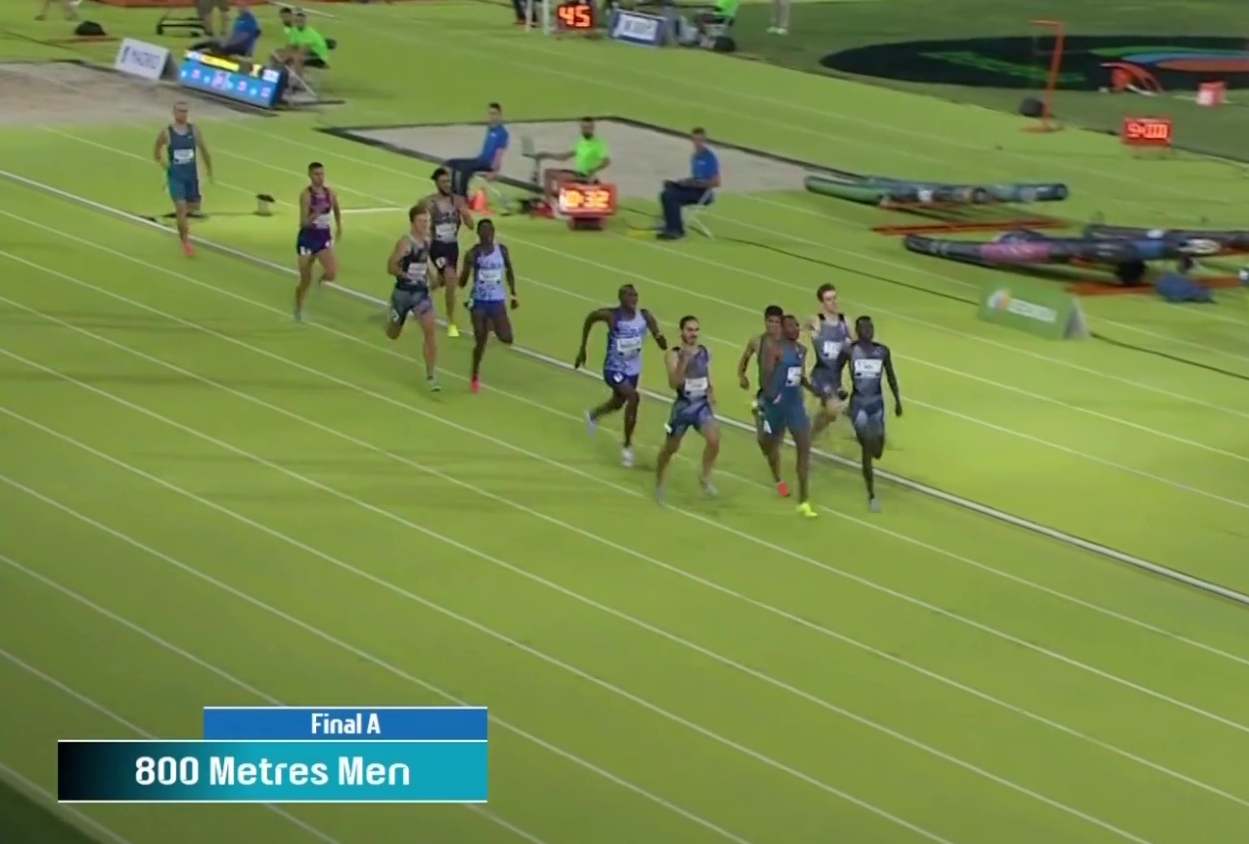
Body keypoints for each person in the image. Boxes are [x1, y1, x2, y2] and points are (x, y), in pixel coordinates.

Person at [574, 284, 668, 468]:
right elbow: (590, 318)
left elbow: (659, 336)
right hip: (614, 369)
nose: (633, 298)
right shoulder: (611, 316)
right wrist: (582, 348)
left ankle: (594, 415)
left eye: (635, 295)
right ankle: (627, 446)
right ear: (621, 298)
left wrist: (660, 339)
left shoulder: (645, 316)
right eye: (629, 295)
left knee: (618, 403)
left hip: (633, 370)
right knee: (633, 397)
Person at [835, 316, 902, 512]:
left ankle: (865, 435)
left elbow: (891, 376)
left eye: (870, 327)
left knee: (877, 451)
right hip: (859, 404)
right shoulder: (850, 350)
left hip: (877, 405)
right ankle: (872, 495)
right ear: (857, 331)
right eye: (864, 328)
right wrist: (839, 388)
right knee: (867, 449)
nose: (868, 330)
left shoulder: (882, 351)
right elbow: (836, 370)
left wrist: (897, 400)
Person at [760, 315, 819, 518]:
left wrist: (816, 390)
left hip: (795, 406)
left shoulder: (802, 350)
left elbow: (800, 377)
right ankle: (778, 478)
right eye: (790, 326)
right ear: (783, 330)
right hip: (776, 407)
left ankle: (804, 500)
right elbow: (766, 377)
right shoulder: (775, 350)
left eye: (796, 325)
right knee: (769, 446)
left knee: (804, 446)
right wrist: (771, 398)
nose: (795, 329)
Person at [656, 315, 719, 503]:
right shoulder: (673, 354)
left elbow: (707, 376)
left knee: (714, 441)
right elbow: (673, 383)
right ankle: (659, 482)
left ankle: (704, 477)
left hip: (701, 406)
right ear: (681, 332)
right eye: (690, 330)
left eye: (696, 330)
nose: (694, 334)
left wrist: (711, 393)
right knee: (670, 448)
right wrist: (683, 362)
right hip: (683, 408)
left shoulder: (705, 352)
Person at [385, 205, 440, 392]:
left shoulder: (427, 241)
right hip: (402, 294)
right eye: (422, 221)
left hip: (420, 294)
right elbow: (390, 266)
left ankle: (431, 375)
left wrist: (433, 277)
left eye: (427, 221)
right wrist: (405, 275)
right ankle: (391, 316)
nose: (425, 224)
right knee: (392, 334)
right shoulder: (405, 243)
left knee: (430, 330)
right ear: (413, 222)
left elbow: (425, 261)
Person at [460, 219, 517, 394]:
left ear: (493, 232)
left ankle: (491, 325)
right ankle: (474, 375)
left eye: (489, 231)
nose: (486, 235)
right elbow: (462, 282)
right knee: (480, 342)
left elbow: (509, 270)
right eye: (483, 232)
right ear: (478, 234)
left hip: (497, 301)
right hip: (479, 302)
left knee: (507, 338)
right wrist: (466, 268)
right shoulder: (473, 253)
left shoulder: (502, 251)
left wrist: (514, 294)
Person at [736, 304, 788, 497]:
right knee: (764, 441)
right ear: (765, 321)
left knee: (775, 442)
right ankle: (779, 479)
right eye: (770, 321)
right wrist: (742, 375)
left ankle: (778, 475)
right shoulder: (757, 341)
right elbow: (745, 358)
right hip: (765, 398)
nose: (773, 325)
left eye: (776, 322)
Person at [153, 102, 213, 257]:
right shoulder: (166, 133)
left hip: (191, 177)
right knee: (181, 208)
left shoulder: (194, 130)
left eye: (185, 111)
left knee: (194, 207)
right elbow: (156, 152)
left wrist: (209, 170)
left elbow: (204, 151)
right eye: (180, 111)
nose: (183, 114)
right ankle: (185, 242)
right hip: (176, 177)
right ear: (174, 113)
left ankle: (182, 222)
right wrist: (166, 167)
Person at [423, 167, 473, 338]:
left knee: (441, 281)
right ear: (436, 183)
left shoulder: (457, 200)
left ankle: (416, 296)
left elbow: (471, 225)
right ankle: (451, 321)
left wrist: (465, 213)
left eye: (449, 181)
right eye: (443, 182)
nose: (447, 184)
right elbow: (419, 223)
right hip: (437, 246)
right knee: (451, 279)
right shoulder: (429, 202)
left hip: (452, 247)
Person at [293, 161, 341, 322]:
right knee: (305, 279)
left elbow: (336, 208)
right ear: (310, 175)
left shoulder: (330, 193)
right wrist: (316, 213)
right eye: (316, 174)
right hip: (307, 239)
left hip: (323, 237)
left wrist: (339, 226)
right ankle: (298, 309)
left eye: (322, 174)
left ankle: (319, 284)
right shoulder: (306, 195)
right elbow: (303, 223)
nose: (320, 177)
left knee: (331, 273)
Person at [657, 127, 720, 241]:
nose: (697, 143)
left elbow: (716, 182)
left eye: (700, 140)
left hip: (703, 193)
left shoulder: (710, 158)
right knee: (667, 189)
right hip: (694, 188)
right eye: (695, 140)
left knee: (670, 196)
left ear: (704, 140)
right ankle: (670, 225)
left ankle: (677, 230)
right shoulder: (695, 157)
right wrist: (684, 182)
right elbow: (696, 178)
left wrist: (695, 184)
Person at [537, 117, 611, 208]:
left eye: (588, 128)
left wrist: (594, 169)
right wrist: (547, 155)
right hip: (578, 174)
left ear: (592, 128)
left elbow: (606, 161)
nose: (585, 130)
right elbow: (564, 157)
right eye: (583, 128)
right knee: (548, 173)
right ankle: (548, 205)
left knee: (562, 177)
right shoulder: (580, 142)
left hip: (586, 176)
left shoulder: (599, 144)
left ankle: (561, 206)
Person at [807, 282, 850, 437]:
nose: (833, 302)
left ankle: (811, 432)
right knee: (832, 411)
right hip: (820, 376)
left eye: (835, 298)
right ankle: (810, 436)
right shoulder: (816, 321)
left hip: (836, 379)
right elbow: (797, 334)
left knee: (829, 413)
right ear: (822, 302)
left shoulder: (846, 322)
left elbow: (857, 347)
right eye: (829, 299)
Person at [445, 103, 509, 198]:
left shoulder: (503, 133)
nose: (492, 116)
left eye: (494, 114)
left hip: (488, 164)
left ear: (499, 115)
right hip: (480, 160)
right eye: (490, 114)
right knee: (452, 163)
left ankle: (462, 197)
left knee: (464, 169)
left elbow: (499, 154)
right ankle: (454, 192)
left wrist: (494, 171)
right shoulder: (490, 129)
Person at [194, 1, 260, 57]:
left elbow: (240, 39)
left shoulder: (248, 21)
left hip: (237, 49)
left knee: (213, 45)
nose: (238, 8)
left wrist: (225, 44)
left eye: (241, 6)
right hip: (235, 47)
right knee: (210, 44)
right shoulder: (241, 20)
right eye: (238, 6)